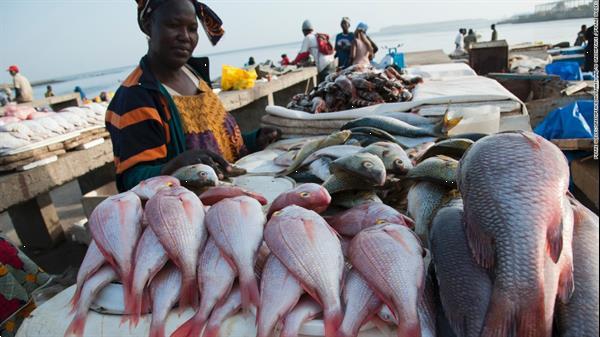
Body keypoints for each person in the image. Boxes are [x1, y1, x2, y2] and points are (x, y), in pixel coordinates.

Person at [106, 0, 281, 192]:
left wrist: (254, 140)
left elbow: (217, 146)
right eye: (173, 25)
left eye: (192, 28)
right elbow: (132, 180)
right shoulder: (136, 96)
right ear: (148, 26)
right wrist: (175, 167)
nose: (185, 37)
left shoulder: (195, 75)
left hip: (237, 192)